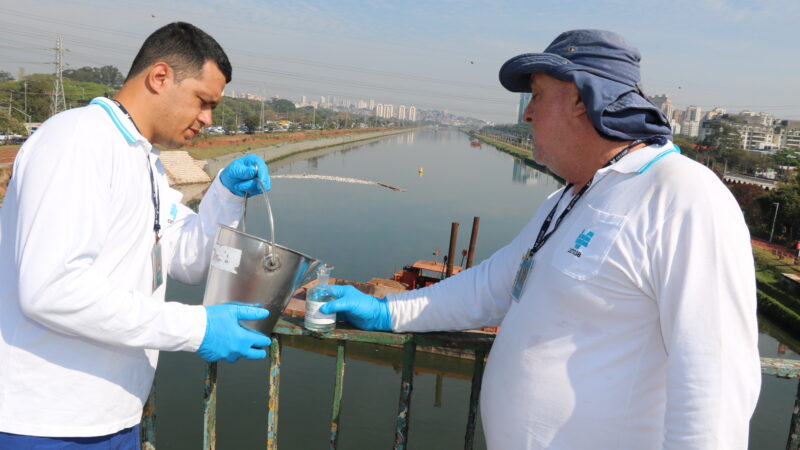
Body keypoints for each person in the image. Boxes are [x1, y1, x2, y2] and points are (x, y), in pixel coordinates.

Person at [322, 29, 761, 449]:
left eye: (536, 94)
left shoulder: (682, 195)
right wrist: (388, 311)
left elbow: (714, 378)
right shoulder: (570, 196)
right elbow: (491, 287)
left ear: (580, 98)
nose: (527, 113)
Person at [0, 22, 273, 447]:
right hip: (47, 420)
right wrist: (196, 328)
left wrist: (224, 195)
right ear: (160, 77)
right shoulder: (79, 140)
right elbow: (51, 289)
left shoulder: (143, 159)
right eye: (203, 101)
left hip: (111, 413)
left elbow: (186, 258)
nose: (207, 118)